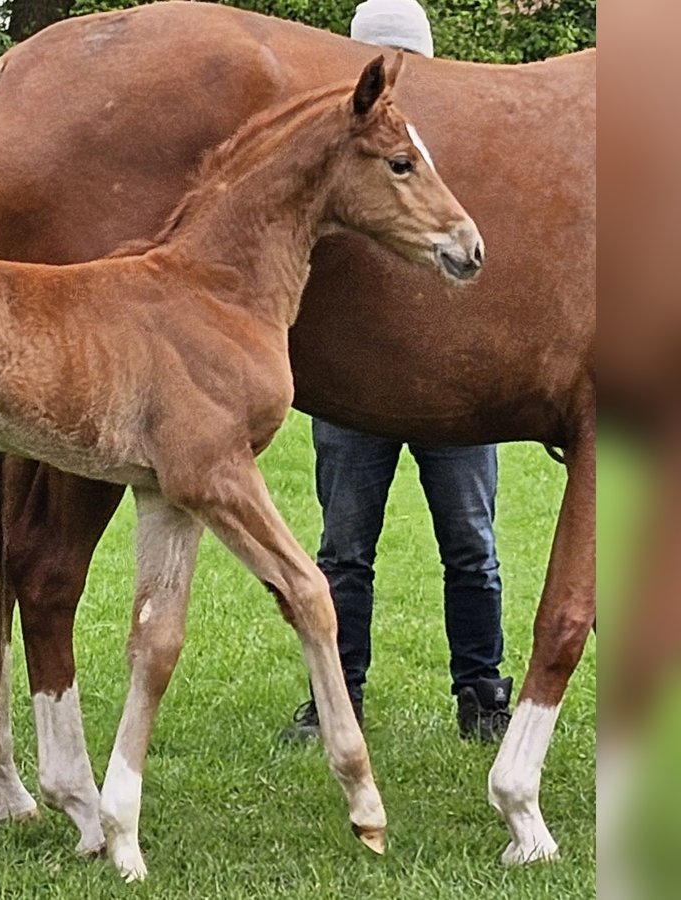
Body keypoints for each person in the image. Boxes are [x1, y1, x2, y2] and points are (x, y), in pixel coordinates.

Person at [280, 0, 512, 744]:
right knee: (345, 551)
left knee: (469, 546)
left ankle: (482, 690)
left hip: (455, 384)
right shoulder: (335, 150)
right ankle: (335, 696)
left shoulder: (468, 149)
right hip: (357, 385)